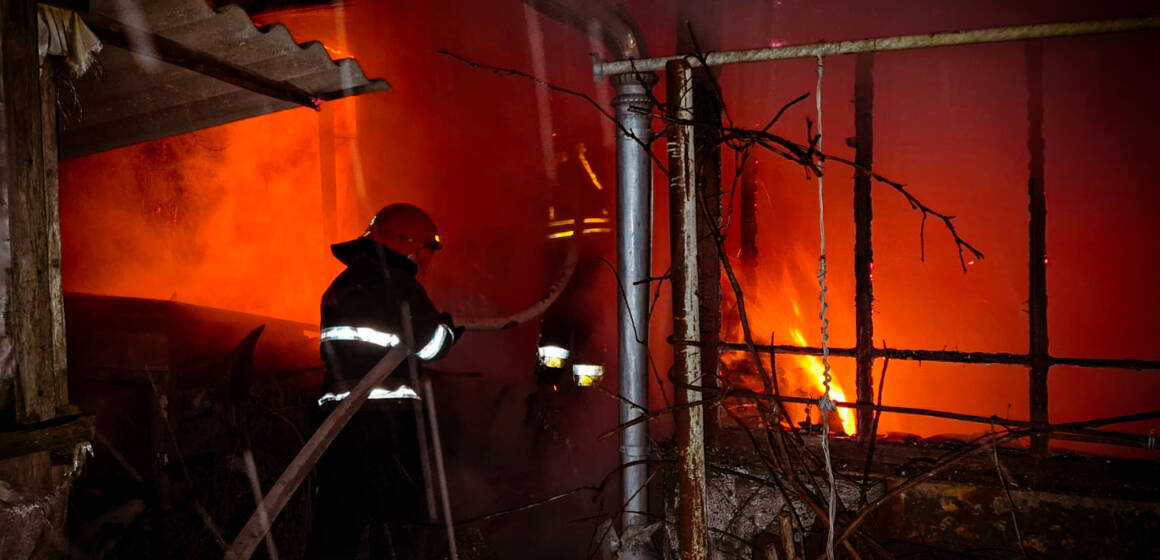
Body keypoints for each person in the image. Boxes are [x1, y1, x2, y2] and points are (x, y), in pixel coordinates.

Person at [307, 203, 460, 559]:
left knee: (337, 522)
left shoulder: (342, 285)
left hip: (336, 423)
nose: (426, 260)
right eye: (425, 250)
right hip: (386, 423)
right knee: (396, 525)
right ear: (409, 246)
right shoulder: (401, 285)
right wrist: (449, 331)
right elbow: (431, 347)